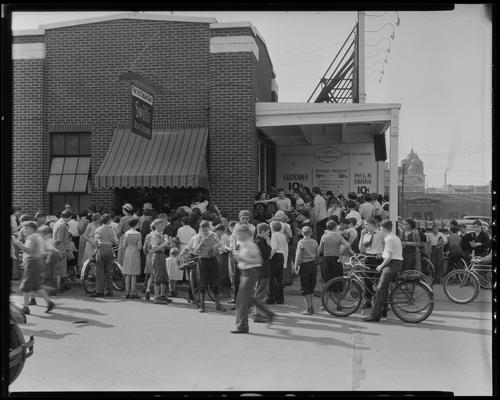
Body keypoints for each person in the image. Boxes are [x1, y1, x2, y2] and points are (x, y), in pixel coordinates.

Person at [230, 224, 275, 334]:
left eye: (239, 234)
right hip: (244, 273)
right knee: (246, 299)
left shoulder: (251, 245)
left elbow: (258, 261)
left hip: (250, 273)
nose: (237, 236)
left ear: (245, 234)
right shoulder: (243, 244)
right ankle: (267, 314)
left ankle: (242, 326)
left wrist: (241, 258)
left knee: (242, 301)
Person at [362, 220, 403, 322]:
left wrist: (381, 265)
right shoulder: (394, 237)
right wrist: (382, 252)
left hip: (391, 265)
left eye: (380, 228)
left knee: (380, 290)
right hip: (396, 263)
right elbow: (390, 252)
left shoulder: (389, 239)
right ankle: (383, 310)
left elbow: (389, 256)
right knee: (383, 288)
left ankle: (375, 315)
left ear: (382, 228)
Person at [12, 221, 56, 314]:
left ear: (31, 228)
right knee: (36, 286)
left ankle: (25, 307)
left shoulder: (31, 237)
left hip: (32, 262)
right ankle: (49, 302)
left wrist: (17, 243)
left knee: (26, 285)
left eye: (26, 228)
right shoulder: (37, 236)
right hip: (37, 261)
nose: (24, 229)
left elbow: (29, 250)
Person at [189, 220, 226, 313]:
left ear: (208, 228)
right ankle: (202, 305)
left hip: (212, 259)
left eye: (206, 230)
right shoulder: (198, 237)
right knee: (202, 282)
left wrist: (215, 247)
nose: (205, 232)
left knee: (215, 281)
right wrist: (201, 242)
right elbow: (195, 251)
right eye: (203, 230)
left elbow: (221, 245)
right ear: (200, 229)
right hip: (202, 260)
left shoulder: (213, 234)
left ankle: (218, 304)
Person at [318, 220, 355, 310]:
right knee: (337, 282)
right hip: (336, 260)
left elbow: (320, 250)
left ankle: (325, 305)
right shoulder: (338, 236)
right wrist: (340, 252)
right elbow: (347, 246)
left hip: (326, 260)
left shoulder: (324, 236)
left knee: (326, 282)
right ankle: (338, 305)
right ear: (335, 227)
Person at [91, 214, 119, 298]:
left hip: (101, 249)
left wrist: (95, 249)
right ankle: (110, 290)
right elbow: (116, 242)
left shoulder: (99, 229)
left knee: (100, 271)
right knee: (109, 271)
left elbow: (96, 240)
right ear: (109, 220)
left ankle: (99, 291)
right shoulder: (112, 230)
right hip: (110, 249)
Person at [358, 218, 384, 308]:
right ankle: (367, 301)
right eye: (364, 225)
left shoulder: (380, 233)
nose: (365, 226)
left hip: (377, 258)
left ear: (372, 224)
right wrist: (361, 235)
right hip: (368, 257)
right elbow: (361, 248)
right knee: (367, 280)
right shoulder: (366, 235)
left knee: (378, 281)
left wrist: (382, 252)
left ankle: (378, 301)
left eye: (366, 224)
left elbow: (386, 244)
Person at [294, 226, 319, 315]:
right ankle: (311, 306)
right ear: (311, 233)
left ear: (302, 233)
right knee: (311, 287)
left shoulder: (301, 242)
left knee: (305, 287)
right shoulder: (315, 242)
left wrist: (296, 266)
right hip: (313, 264)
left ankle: (308, 308)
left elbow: (298, 256)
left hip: (304, 265)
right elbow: (317, 253)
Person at [148, 219, 172, 304]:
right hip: (157, 255)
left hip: (161, 255)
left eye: (164, 225)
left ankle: (162, 295)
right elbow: (154, 248)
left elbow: (162, 246)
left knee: (164, 276)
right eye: (162, 225)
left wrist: (168, 245)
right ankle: (156, 297)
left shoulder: (160, 234)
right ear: (157, 226)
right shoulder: (154, 235)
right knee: (158, 277)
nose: (163, 227)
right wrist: (165, 243)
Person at [254, 223, 272, 320]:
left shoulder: (260, 241)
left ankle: (257, 313)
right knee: (260, 292)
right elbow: (265, 255)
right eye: (267, 232)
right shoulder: (259, 242)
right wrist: (269, 245)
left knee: (258, 291)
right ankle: (257, 314)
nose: (268, 234)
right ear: (262, 231)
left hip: (259, 270)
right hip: (261, 270)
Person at [121, 217, 142, 299]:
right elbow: (139, 247)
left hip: (127, 251)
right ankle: (133, 292)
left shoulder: (126, 233)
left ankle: (127, 292)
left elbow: (123, 245)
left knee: (127, 273)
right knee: (133, 273)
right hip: (135, 251)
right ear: (136, 224)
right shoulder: (138, 234)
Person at [52, 210, 73, 293]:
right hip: (60, 249)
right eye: (70, 217)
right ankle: (58, 287)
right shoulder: (62, 225)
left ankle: (59, 286)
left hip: (56, 248)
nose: (70, 219)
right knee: (61, 270)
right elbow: (60, 239)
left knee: (58, 269)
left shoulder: (57, 223)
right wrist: (64, 251)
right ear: (68, 217)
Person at [268, 221, 288, 305]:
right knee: (279, 280)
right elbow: (286, 248)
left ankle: (271, 299)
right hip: (281, 256)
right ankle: (280, 299)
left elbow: (274, 247)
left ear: (272, 228)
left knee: (271, 279)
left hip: (275, 256)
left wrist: (270, 257)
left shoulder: (273, 235)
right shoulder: (283, 236)